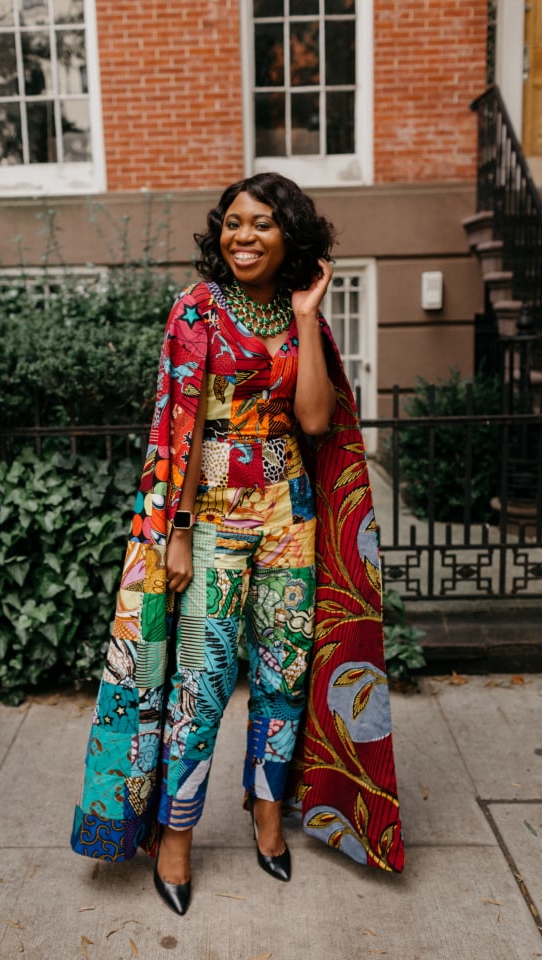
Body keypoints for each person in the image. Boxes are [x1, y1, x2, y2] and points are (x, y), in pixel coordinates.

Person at [70, 173, 404, 916]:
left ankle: (265, 818)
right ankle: (178, 837)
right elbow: (181, 430)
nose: (242, 236)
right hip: (214, 521)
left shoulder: (298, 313)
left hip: (291, 519)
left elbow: (316, 421)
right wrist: (180, 534)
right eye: (232, 223)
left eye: (260, 224)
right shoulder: (196, 310)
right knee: (202, 687)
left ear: (290, 236)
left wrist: (311, 318)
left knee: (284, 679)